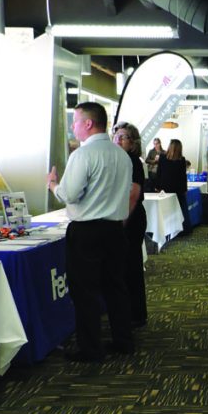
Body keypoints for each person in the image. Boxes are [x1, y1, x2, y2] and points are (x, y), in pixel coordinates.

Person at [47, 101, 133, 362]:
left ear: (88, 123)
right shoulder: (122, 155)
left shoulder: (83, 155)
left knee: (85, 291)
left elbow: (70, 194)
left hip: (87, 232)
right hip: (115, 230)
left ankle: (91, 348)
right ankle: (123, 341)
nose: (73, 127)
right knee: (115, 287)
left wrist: (53, 185)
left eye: (75, 122)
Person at [112, 121, 148, 328]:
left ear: (133, 143)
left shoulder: (132, 161)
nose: (118, 138)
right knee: (124, 267)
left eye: (123, 136)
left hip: (130, 218)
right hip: (123, 216)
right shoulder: (119, 160)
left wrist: (120, 223)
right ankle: (131, 312)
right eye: (116, 135)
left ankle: (135, 314)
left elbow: (133, 194)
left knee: (131, 267)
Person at [159, 138, 191, 233]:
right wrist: (184, 189)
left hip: (166, 187)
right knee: (182, 209)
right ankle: (184, 229)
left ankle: (167, 230)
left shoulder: (162, 157)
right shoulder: (181, 160)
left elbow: (159, 173)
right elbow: (183, 176)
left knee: (166, 208)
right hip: (178, 188)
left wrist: (158, 186)